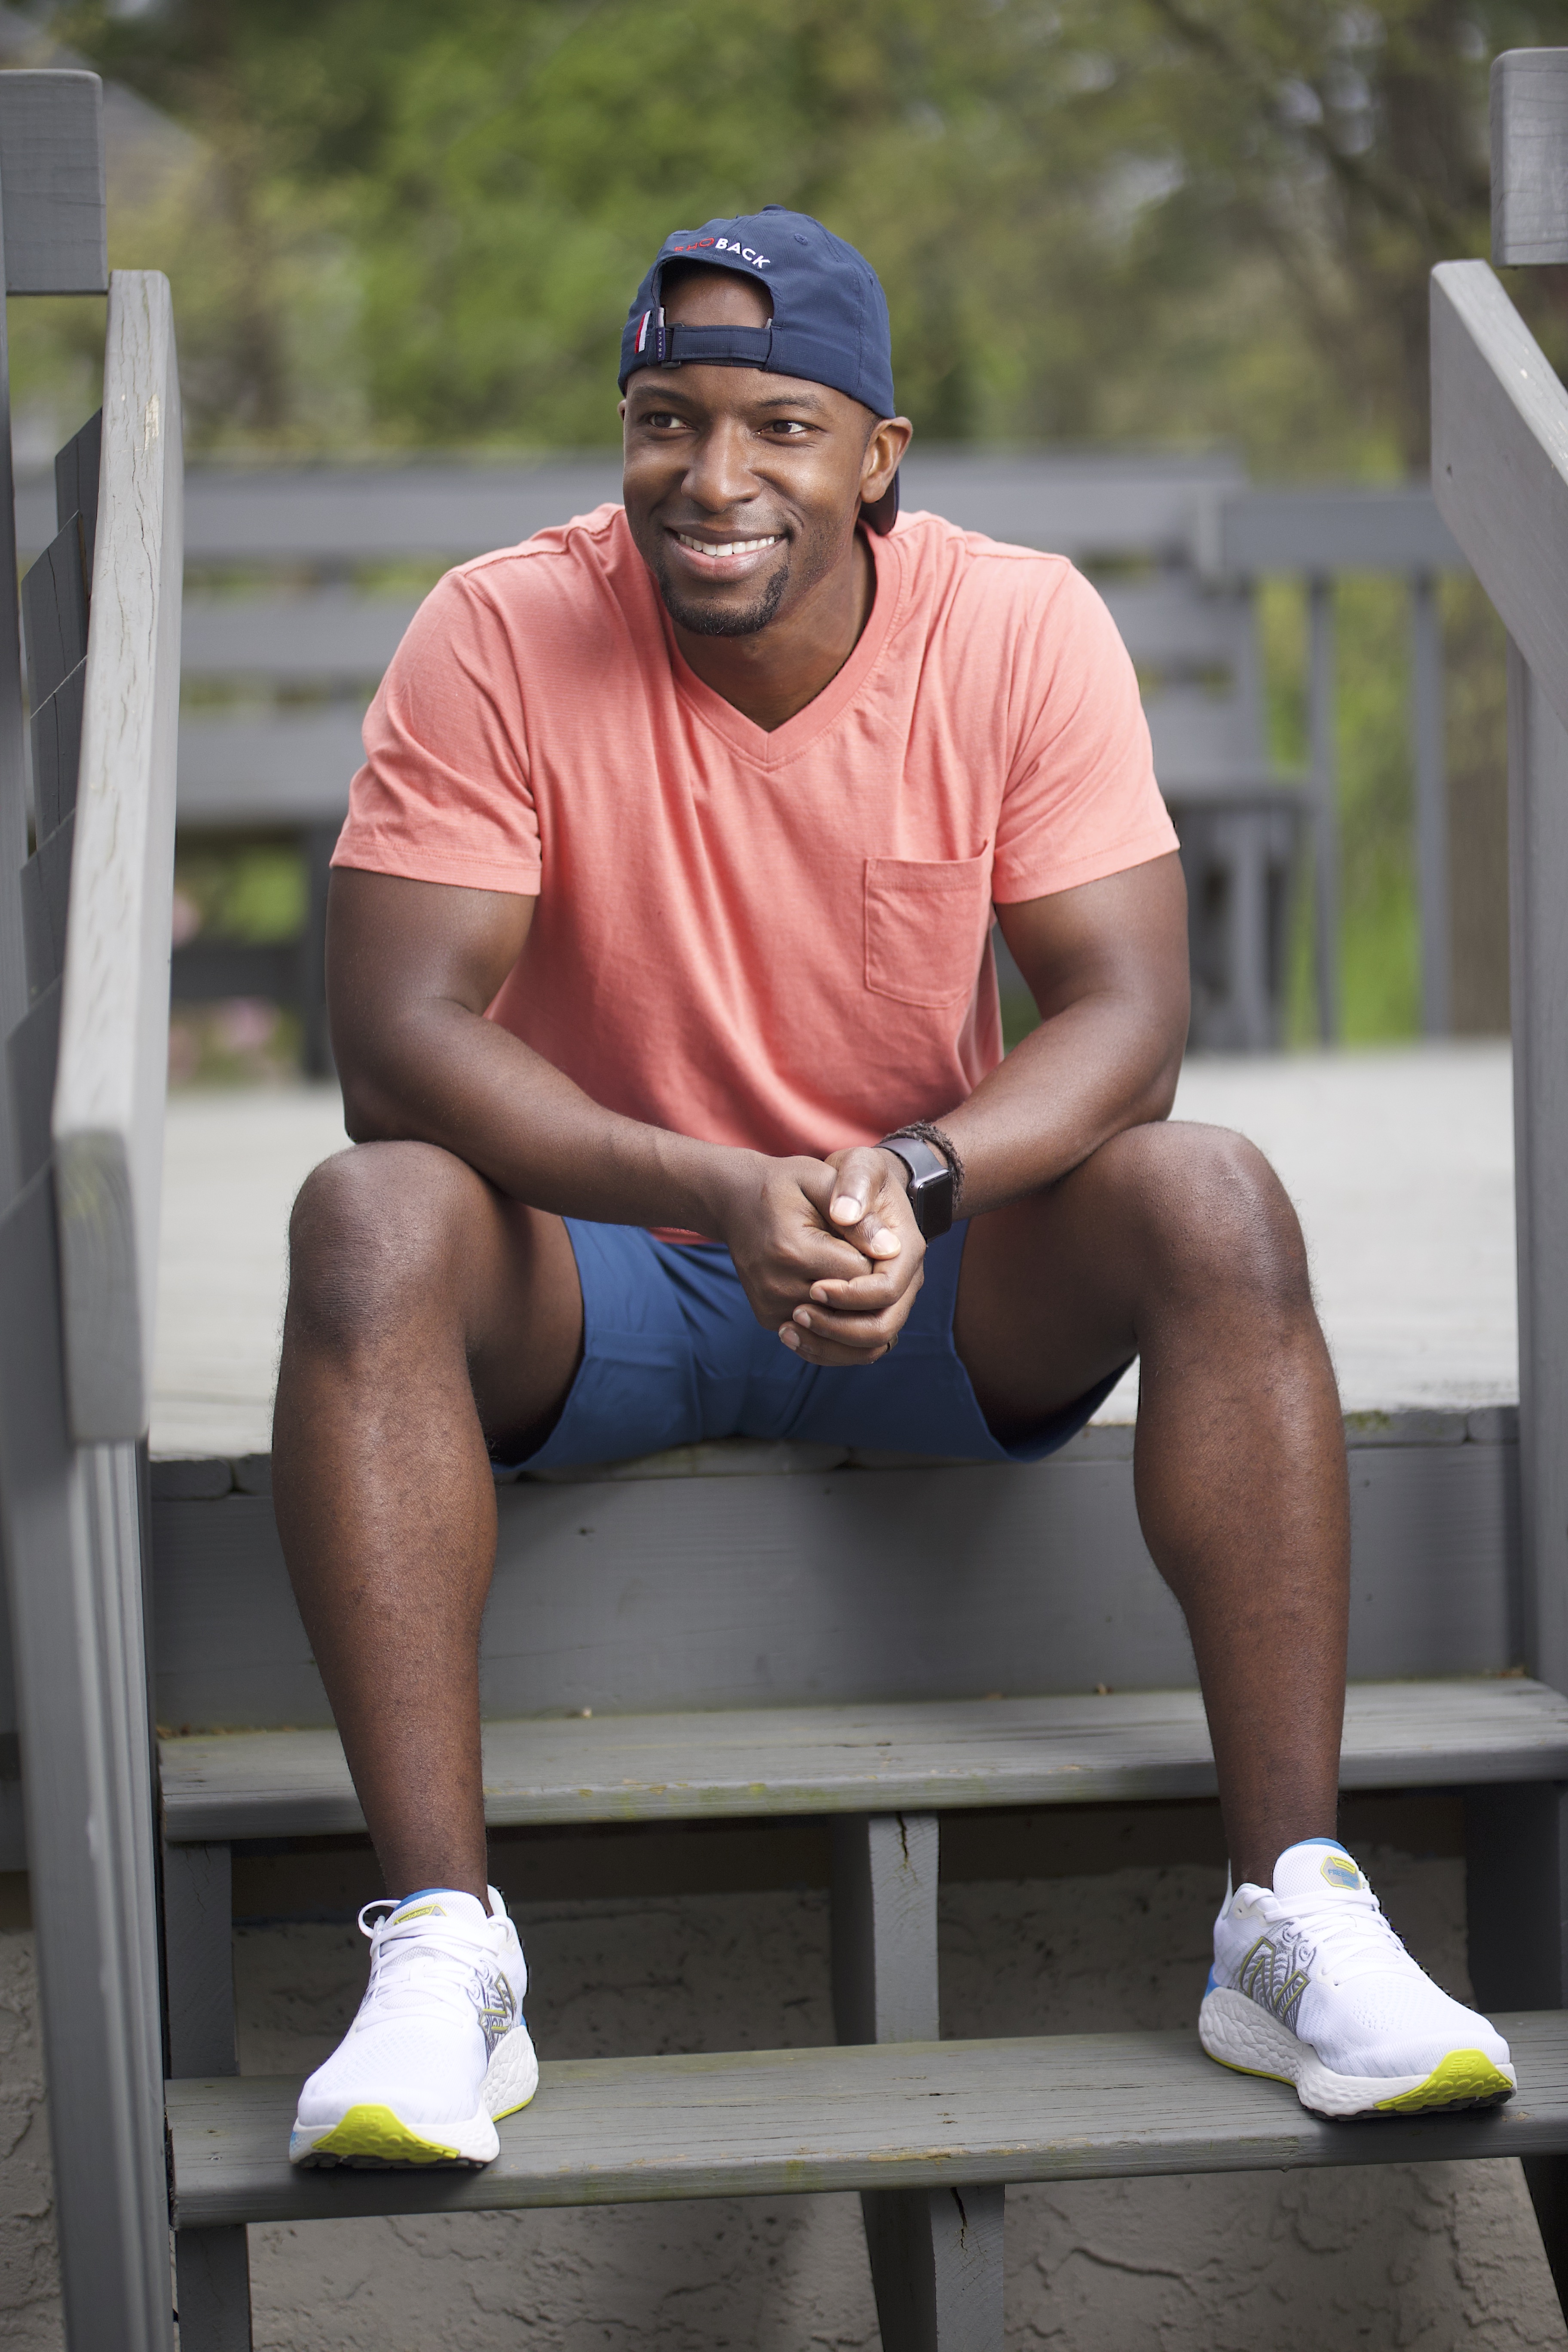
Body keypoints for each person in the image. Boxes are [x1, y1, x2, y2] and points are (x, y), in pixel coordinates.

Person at [277, 208, 1515, 2171]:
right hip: (597, 1269)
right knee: (364, 1222)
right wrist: (716, 1185)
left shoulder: (1016, 628)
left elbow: (1127, 1015)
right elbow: (397, 1043)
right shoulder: (499, 629)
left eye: (780, 425)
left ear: (879, 454)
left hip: (918, 1264)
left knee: (1213, 1196)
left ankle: (1289, 1914)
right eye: (668, 420)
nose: (714, 477)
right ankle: (446, 1953)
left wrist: (926, 1177)